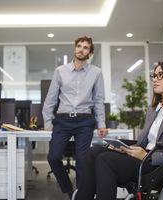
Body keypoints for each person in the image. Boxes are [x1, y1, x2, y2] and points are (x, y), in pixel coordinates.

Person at [74, 61, 163, 200]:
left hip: (160, 164)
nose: (155, 79)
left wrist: (148, 156)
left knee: (105, 160)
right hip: (144, 156)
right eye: (154, 75)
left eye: (160, 75)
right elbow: (143, 143)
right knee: (93, 151)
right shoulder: (154, 109)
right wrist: (125, 149)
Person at [42, 36, 108, 199]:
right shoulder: (60, 71)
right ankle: (68, 188)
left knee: (82, 161)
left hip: (85, 121)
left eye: (85, 47)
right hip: (63, 120)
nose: (81, 49)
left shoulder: (96, 73)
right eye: (79, 46)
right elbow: (51, 98)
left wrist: (101, 123)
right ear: (74, 48)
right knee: (53, 157)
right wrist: (47, 121)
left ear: (90, 53)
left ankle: (80, 195)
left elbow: (99, 100)